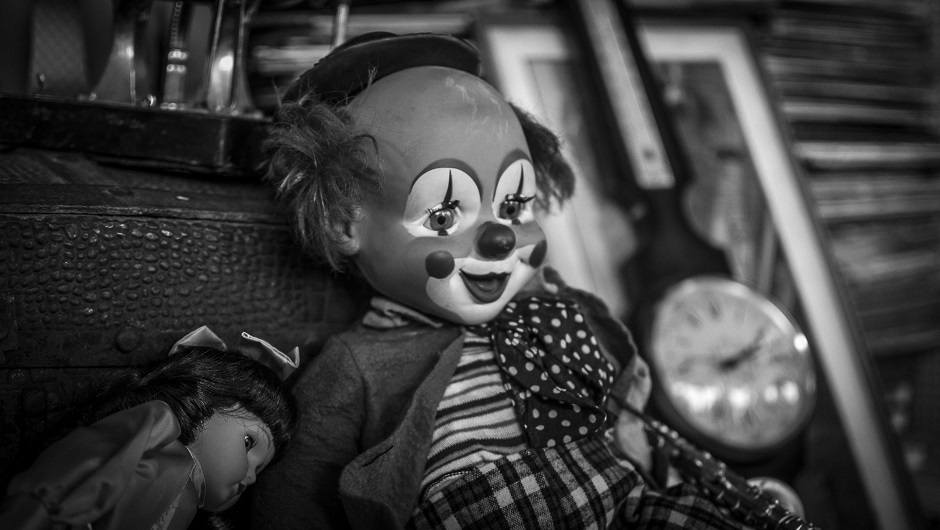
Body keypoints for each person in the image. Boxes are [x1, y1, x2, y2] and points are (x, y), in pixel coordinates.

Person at [252, 31, 777, 530]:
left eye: (512, 206)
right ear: (344, 223)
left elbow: (629, 423)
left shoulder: (556, 316)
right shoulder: (355, 365)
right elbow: (296, 502)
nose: (500, 239)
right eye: (443, 216)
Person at [0, 326, 299, 530]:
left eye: (259, 471)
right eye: (248, 443)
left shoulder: (190, 498)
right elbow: (84, 468)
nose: (249, 477)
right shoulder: (158, 429)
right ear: (206, 397)